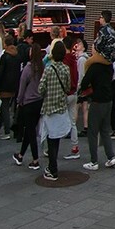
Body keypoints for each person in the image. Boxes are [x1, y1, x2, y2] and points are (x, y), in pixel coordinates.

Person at [38, 42, 74, 181]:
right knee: (56, 138)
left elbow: (41, 89)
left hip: (49, 107)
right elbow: (67, 87)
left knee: (49, 138)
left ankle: (53, 168)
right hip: (60, 107)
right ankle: (53, 166)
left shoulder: (48, 69)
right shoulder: (65, 69)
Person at [11, 44, 42, 169]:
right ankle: (21, 154)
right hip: (39, 101)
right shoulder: (42, 68)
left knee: (30, 131)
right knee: (30, 130)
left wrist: (19, 101)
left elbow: (22, 87)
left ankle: (35, 160)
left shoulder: (28, 69)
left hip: (28, 103)